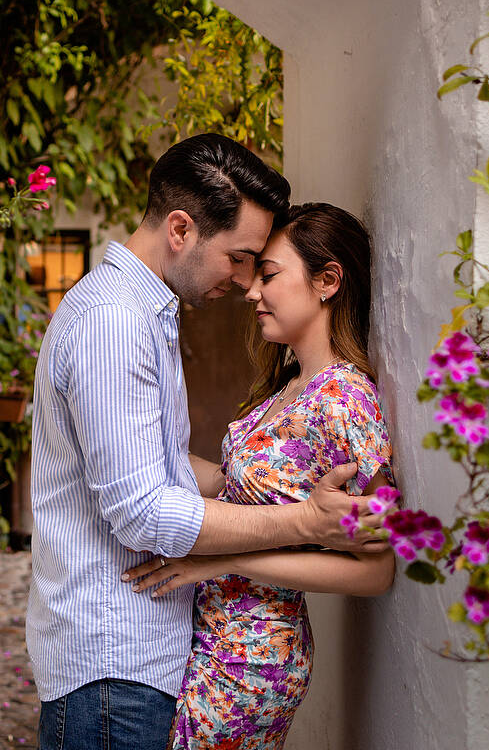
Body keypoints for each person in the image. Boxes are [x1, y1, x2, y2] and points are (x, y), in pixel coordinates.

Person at [26, 136, 393, 750]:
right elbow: (145, 511)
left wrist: (242, 522)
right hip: (118, 664)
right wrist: (300, 518)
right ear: (180, 229)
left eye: (263, 266)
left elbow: (161, 469)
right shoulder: (116, 324)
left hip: (168, 661)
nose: (246, 281)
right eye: (241, 256)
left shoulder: (140, 317)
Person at [124, 202, 395, 749]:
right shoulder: (291, 386)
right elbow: (236, 486)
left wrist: (224, 559)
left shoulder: (346, 400)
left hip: (253, 660)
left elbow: (377, 570)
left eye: (269, 275)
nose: (251, 291)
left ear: (327, 281)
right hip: (210, 636)